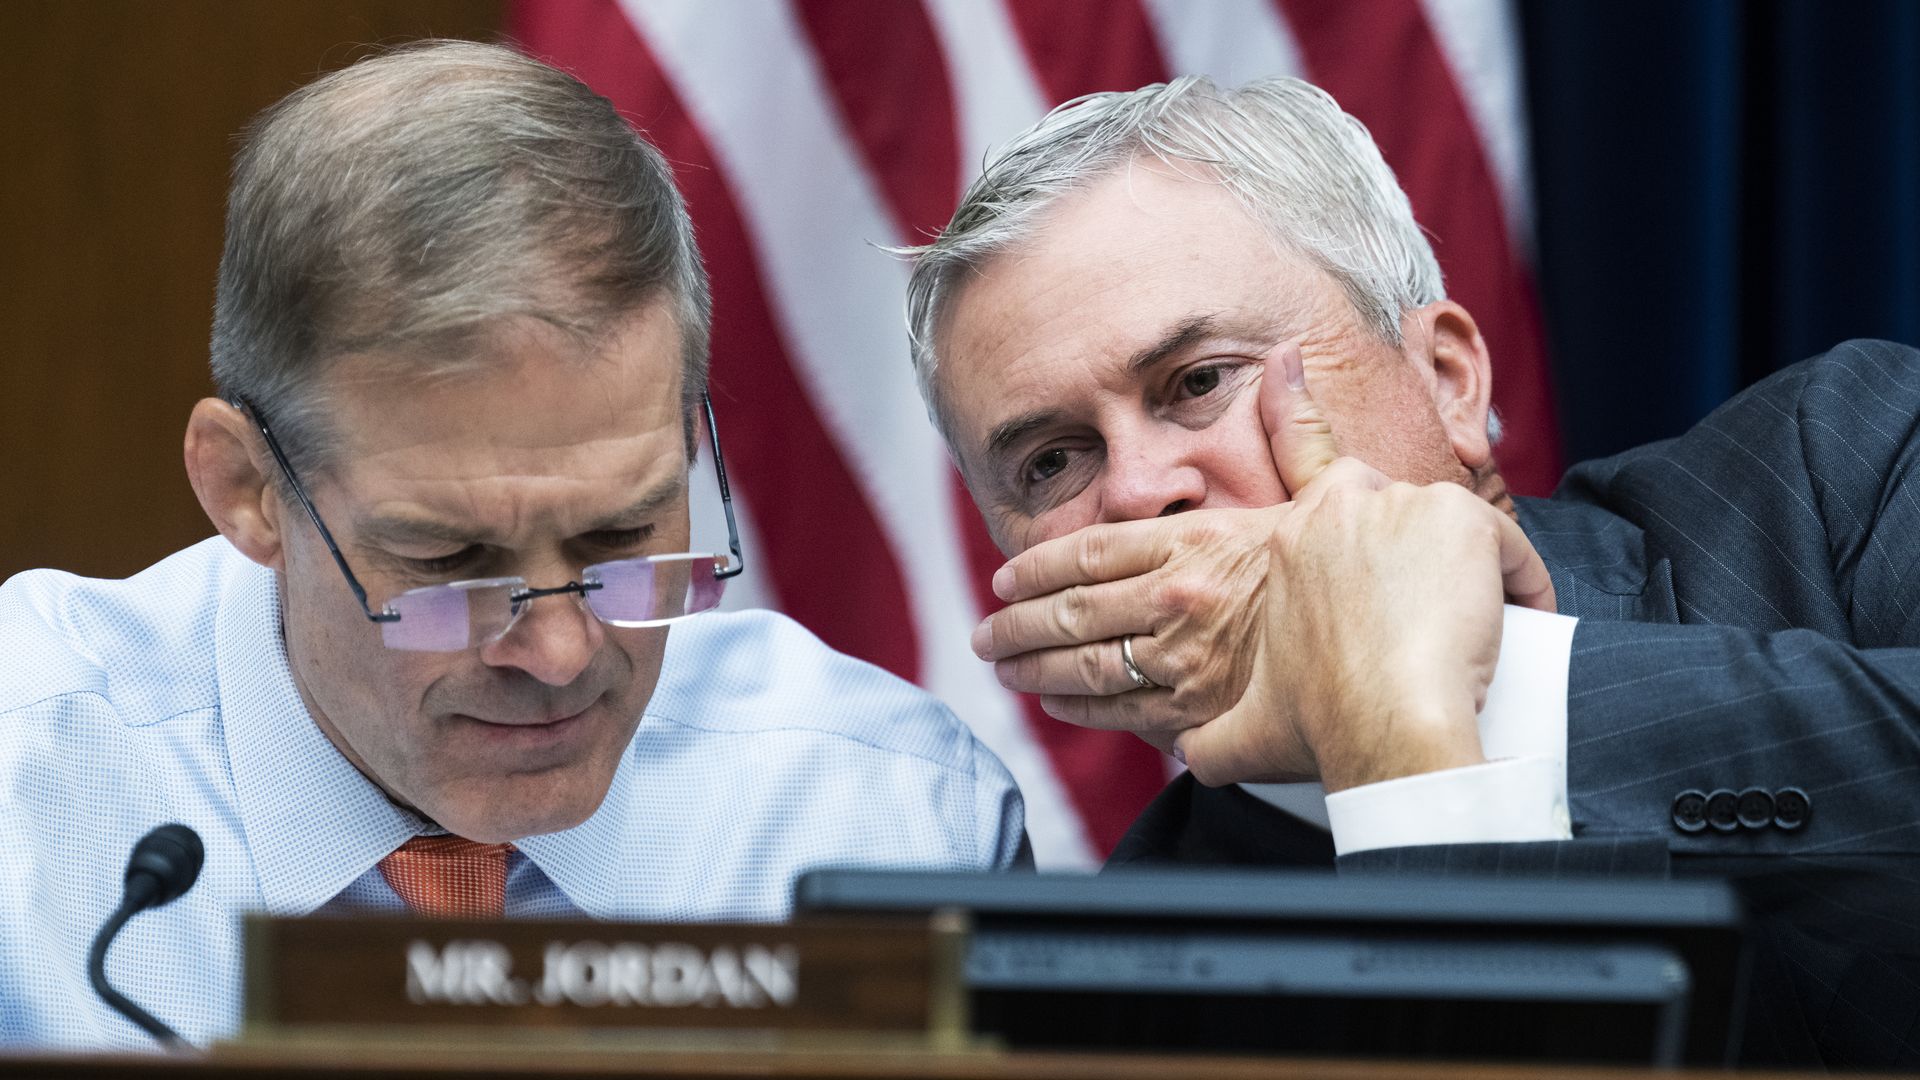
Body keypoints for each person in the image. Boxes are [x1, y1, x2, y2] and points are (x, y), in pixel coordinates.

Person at [0, 41, 1024, 1051]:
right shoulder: (26, 806)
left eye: (622, 532)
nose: (561, 652)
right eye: (452, 562)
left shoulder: (895, 815)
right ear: (246, 489)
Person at [906, 75, 1919, 1067]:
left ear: (1445, 381)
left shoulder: (1841, 467)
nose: (1136, 492)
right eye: (1051, 462)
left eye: (1198, 382)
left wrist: (1443, 678)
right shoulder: (1122, 1003)